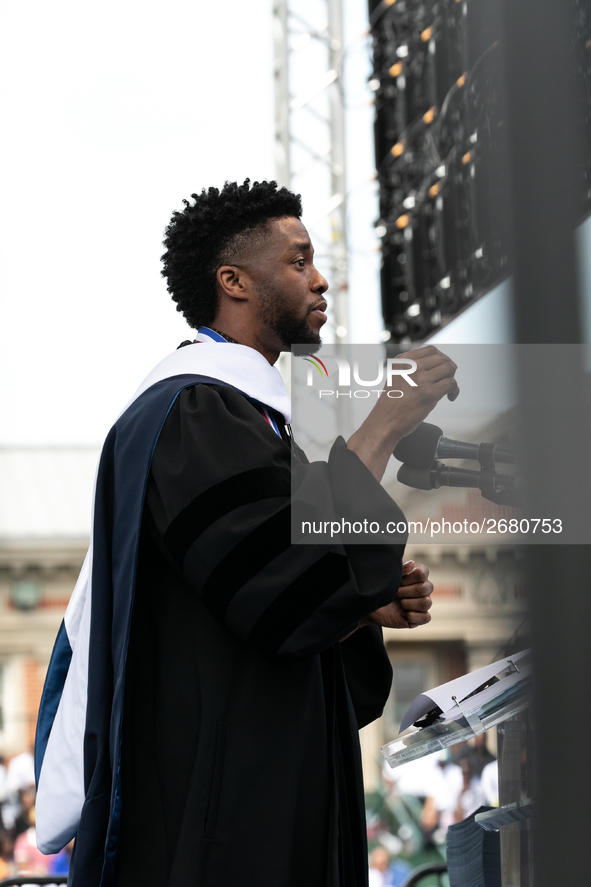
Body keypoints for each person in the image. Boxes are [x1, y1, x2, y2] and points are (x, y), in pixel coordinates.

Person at [35, 180, 458, 887]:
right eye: (296, 262)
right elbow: (279, 593)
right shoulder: (192, 409)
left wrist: (355, 610)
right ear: (233, 281)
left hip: (261, 797)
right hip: (220, 821)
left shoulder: (246, 416)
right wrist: (384, 423)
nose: (319, 279)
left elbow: (259, 593)